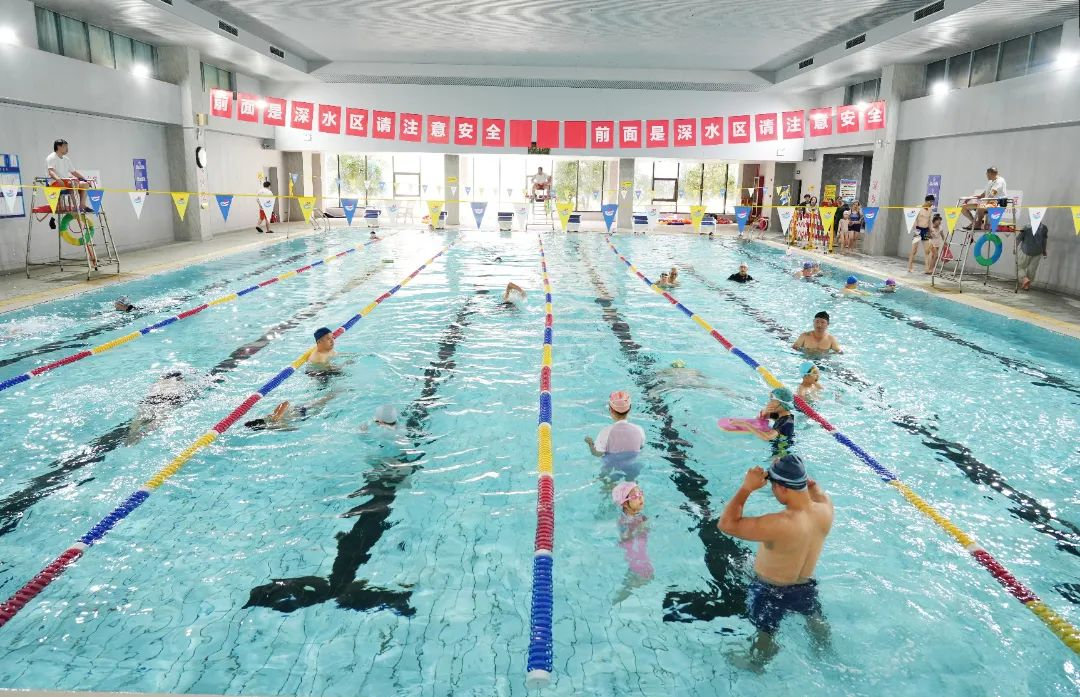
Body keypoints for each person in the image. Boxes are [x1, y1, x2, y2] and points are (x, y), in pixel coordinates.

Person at [718, 455, 834, 670]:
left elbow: (726, 524)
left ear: (781, 488)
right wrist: (791, 468)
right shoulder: (825, 508)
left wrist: (746, 488)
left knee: (766, 633)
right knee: (815, 621)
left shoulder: (779, 523)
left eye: (773, 486)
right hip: (804, 588)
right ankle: (825, 650)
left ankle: (758, 662)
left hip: (770, 591)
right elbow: (813, 486)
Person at [584, 390, 646, 481]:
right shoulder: (639, 430)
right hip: (631, 465)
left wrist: (590, 443)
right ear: (630, 408)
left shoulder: (605, 432)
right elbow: (640, 447)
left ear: (610, 410)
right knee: (631, 485)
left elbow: (597, 453)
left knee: (606, 480)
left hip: (611, 465)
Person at [612, 481, 654, 603]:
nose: (640, 497)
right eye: (635, 496)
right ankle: (618, 598)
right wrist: (636, 529)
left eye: (641, 493)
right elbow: (624, 540)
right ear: (625, 504)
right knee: (633, 586)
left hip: (643, 562)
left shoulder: (641, 517)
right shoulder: (623, 521)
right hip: (637, 564)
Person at [744, 387, 796, 461]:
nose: (769, 403)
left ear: (782, 404)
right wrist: (765, 411)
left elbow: (767, 437)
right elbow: (760, 419)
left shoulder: (787, 422)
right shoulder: (781, 415)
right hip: (777, 445)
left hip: (781, 453)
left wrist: (746, 424)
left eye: (772, 401)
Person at [243, 393, 336, 431]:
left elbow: (286, 403)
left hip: (302, 409)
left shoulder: (274, 415)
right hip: (304, 416)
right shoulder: (275, 426)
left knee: (327, 399)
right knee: (325, 407)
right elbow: (292, 429)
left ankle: (337, 392)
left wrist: (278, 415)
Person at [46, 139, 90, 213]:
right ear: (59, 147)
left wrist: (85, 180)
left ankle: (82, 205)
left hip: (66, 182)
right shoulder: (51, 157)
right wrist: (58, 180)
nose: (67, 149)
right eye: (65, 146)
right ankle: (76, 207)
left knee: (85, 184)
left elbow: (74, 172)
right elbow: (51, 172)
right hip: (55, 183)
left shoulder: (66, 159)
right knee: (73, 183)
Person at [1015, 222, 1048, 291]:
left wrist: (1014, 248)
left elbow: (1019, 238)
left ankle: (1024, 279)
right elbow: (1044, 241)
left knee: (1019, 267)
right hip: (1038, 251)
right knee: (1032, 270)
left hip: (1026, 251)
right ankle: (1027, 285)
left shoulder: (1026, 227)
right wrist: (1044, 251)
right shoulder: (1044, 228)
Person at [907, 195, 934, 273]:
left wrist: (931, 230)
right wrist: (915, 229)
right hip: (918, 230)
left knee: (927, 251)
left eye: (932, 202)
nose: (932, 203)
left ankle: (927, 269)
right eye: (931, 202)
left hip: (926, 231)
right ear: (927, 201)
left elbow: (929, 221)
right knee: (914, 250)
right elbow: (914, 219)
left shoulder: (930, 210)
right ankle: (910, 267)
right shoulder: (918, 208)